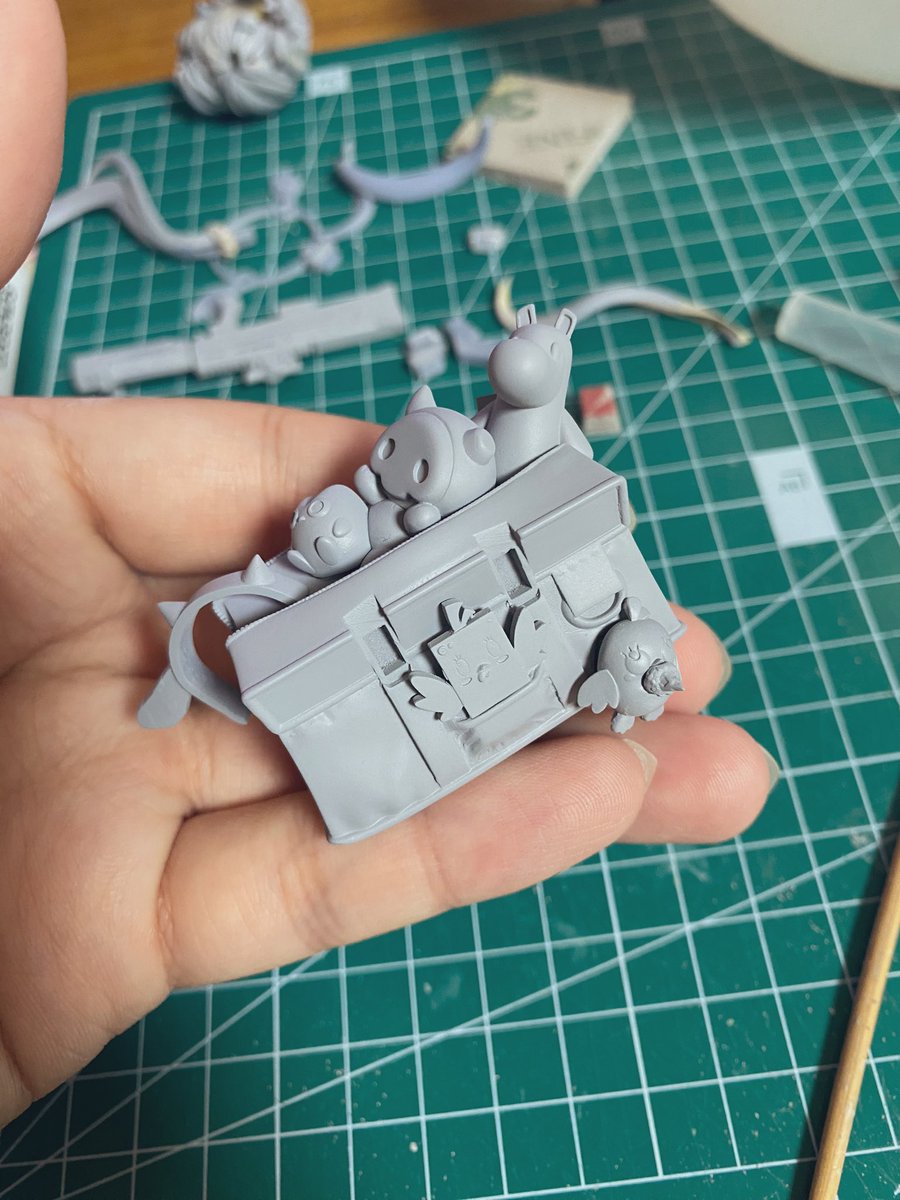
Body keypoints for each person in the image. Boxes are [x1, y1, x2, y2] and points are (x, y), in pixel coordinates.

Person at [0, 0, 777, 1128]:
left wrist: (530, 391)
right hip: (378, 658)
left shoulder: (507, 469)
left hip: (513, 605)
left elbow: (526, 441)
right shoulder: (379, 524)